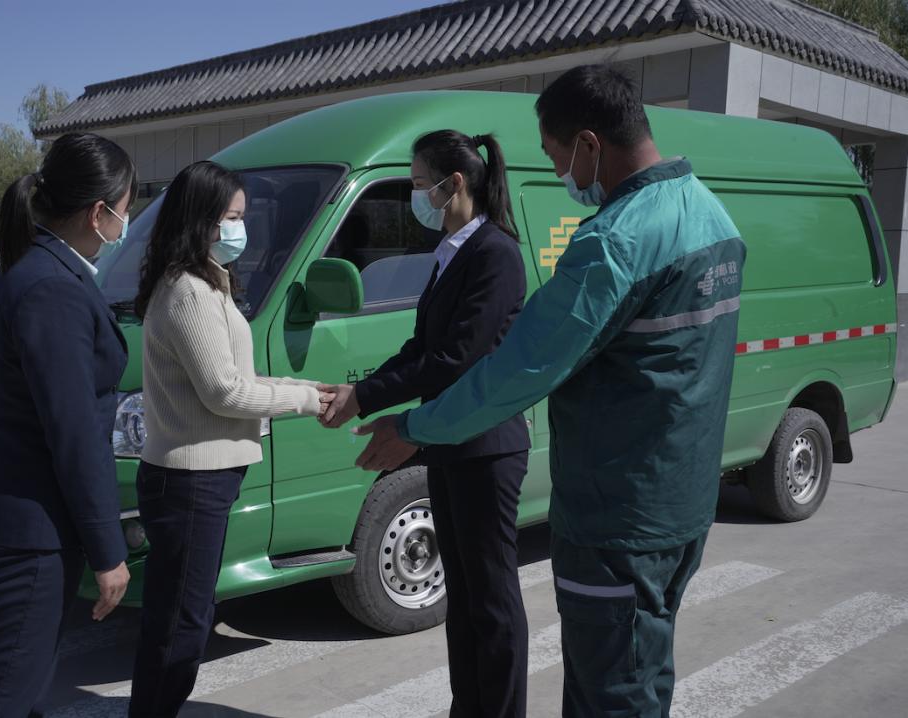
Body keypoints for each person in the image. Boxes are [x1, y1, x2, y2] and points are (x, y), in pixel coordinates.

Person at [354, 64, 746, 717]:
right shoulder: (712, 215)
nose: (560, 172)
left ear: (590, 144)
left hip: (617, 516)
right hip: (682, 505)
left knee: (611, 692)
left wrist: (412, 429)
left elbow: (522, 367)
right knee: (642, 673)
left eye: (558, 154)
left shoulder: (615, 242)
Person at [321, 130, 531, 717]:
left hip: (487, 450)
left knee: (491, 601)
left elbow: (455, 358)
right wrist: (360, 392)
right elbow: (421, 347)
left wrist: (369, 398)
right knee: (462, 599)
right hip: (450, 447)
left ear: (454, 184)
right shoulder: (453, 250)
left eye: (418, 185)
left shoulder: (495, 253)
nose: (416, 197)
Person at [128, 160, 334, 718]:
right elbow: (224, 393)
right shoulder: (189, 291)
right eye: (232, 218)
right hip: (190, 480)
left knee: (182, 617)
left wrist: (304, 387)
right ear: (201, 221)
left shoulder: (204, 284)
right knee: (182, 625)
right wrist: (307, 401)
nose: (241, 230)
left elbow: (236, 379)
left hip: (202, 478)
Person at [0, 133, 137, 717]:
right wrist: (110, 551)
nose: (127, 221)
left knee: (9, 691)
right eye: (127, 209)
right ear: (98, 212)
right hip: (28, 535)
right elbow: (74, 433)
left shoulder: (40, 269)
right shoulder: (53, 287)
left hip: (15, 523)